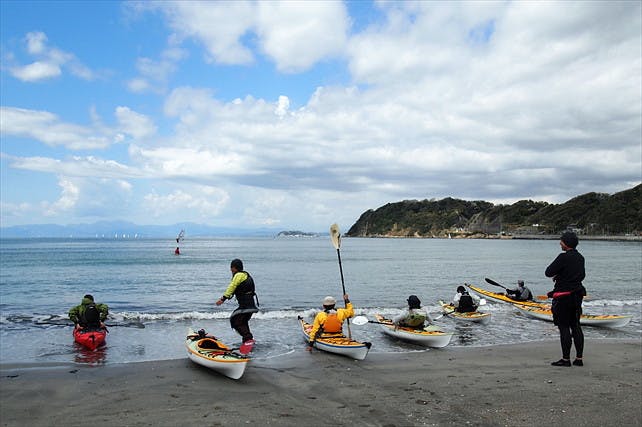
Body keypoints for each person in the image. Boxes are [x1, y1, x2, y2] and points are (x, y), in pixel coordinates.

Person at [545, 231, 586, 367]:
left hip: (563, 297)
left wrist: (558, 274)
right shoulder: (580, 257)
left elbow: (548, 272)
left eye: (561, 241)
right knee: (576, 326)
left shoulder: (563, 257)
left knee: (564, 327)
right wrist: (562, 274)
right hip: (577, 295)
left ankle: (566, 359)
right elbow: (582, 275)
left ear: (566, 243)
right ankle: (579, 358)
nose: (560, 243)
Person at [215, 259, 259, 354]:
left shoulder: (239, 275)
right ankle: (247, 340)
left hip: (246, 306)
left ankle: (248, 339)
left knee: (236, 321)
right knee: (242, 321)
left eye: (231, 268)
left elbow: (232, 286)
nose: (231, 270)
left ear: (234, 268)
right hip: (250, 305)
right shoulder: (245, 275)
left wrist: (223, 299)